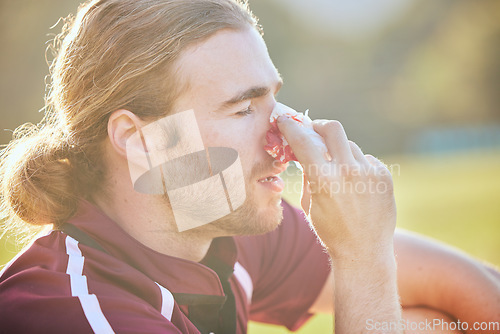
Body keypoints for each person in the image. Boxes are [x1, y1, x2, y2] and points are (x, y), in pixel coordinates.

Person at [0, 0, 499, 333]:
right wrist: (363, 258)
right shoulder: (78, 317)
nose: (286, 135)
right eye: (244, 108)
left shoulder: (214, 216)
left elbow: (477, 288)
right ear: (142, 142)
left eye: (273, 102)